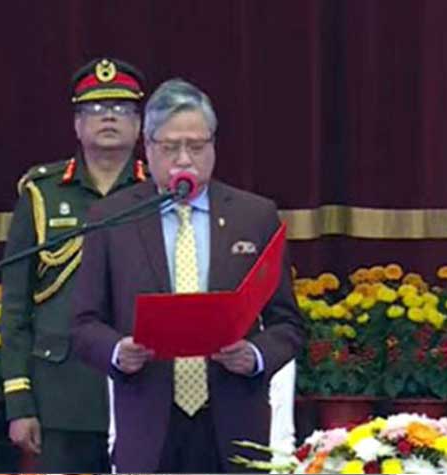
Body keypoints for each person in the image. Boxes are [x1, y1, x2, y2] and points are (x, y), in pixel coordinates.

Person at [70, 78, 304, 473]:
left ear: (213, 146)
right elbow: (82, 325)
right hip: (149, 425)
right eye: (170, 147)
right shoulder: (112, 219)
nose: (184, 159)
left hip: (233, 424)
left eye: (196, 146)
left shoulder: (254, 216)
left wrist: (255, 355)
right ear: (148, 148)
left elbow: (288, 324)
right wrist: (117, 351)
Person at [0, 57, 148, 472]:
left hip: (144, 385)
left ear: (139, 125)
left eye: (121, 109)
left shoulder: (158, 192)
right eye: (95, 109)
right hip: (62, 393)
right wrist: (19, 402)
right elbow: (15, 307)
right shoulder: (41, 193)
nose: (108, 118)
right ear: (77, 125)